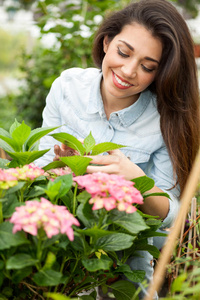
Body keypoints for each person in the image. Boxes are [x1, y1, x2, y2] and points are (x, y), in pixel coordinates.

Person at [35, 0, 200, 298]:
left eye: (147, 67)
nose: (128, 71)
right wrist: (60, 170)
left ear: (160, 72)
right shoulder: (67, 87)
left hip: (126, 261)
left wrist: (136, 179)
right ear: (108, 41)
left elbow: (173, 214)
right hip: (62, 251)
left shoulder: (165, 119)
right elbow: (40, 169)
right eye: (123, 52)